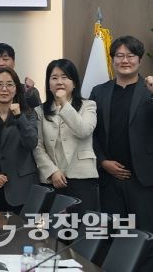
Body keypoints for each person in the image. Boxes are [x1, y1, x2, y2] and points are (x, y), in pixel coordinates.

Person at [92, 35, 153, 269]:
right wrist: (102, 162)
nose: (124, 60)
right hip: (110, 179)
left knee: (145, 237)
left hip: (143, 179)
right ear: (112, 60)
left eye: (130, 55)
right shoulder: (99, 92)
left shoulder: (149, 90)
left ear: (139, 60)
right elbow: (91, 134)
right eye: (119, 55)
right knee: (115, 237)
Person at [33, 59, 98, 215]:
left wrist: (63, 102)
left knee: (82, 224)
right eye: (54, 78)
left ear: (74, 83)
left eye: (65, 77)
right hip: (53, 179)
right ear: (48, 84)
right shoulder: (39, 110)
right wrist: (52, 171)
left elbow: (83, 130)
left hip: (82, 177)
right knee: (55, 226)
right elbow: (37, 145)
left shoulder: (88, 105)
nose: (59, 82)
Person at [0, 67, 38, 213]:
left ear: (17, 89)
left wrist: (18, 116)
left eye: (10, 84)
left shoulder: (28, 113)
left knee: (23, 227)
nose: (4, 89)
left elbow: (31, 142)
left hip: (21, 187)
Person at [0, 43, 41, 109]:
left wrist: (29, 94)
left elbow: (37, 114)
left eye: (5, 59)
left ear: (14, 62)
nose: (1, 63)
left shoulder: (28, 91)